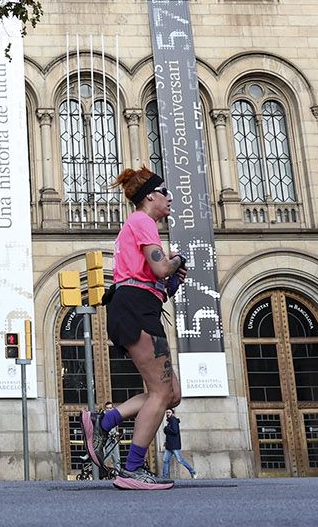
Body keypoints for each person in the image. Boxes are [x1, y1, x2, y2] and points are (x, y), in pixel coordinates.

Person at [80, 167, 186, 490]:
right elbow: (159, 266)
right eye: (164, 192)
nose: (170, 198)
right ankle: (133, 468)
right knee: (160, 392)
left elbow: (153, 280)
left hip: (138, 304)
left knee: (171, 394)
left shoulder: (139, 226)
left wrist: (171, 283)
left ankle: (106, 421)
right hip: (135, 307)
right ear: (150, 196)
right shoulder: (142, 222)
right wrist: (177, 262)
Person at [161, 409, 196, 480]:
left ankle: (193, 471)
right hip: (169, 446)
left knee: (180, 460)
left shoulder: (173, 421)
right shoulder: (170, 421)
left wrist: (165, 429)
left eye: (169, 412)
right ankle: (165, 477)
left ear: (173, 413)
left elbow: (174, 431)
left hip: (174, 445)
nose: (168, 414)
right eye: (167, 412)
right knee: (165, 460)